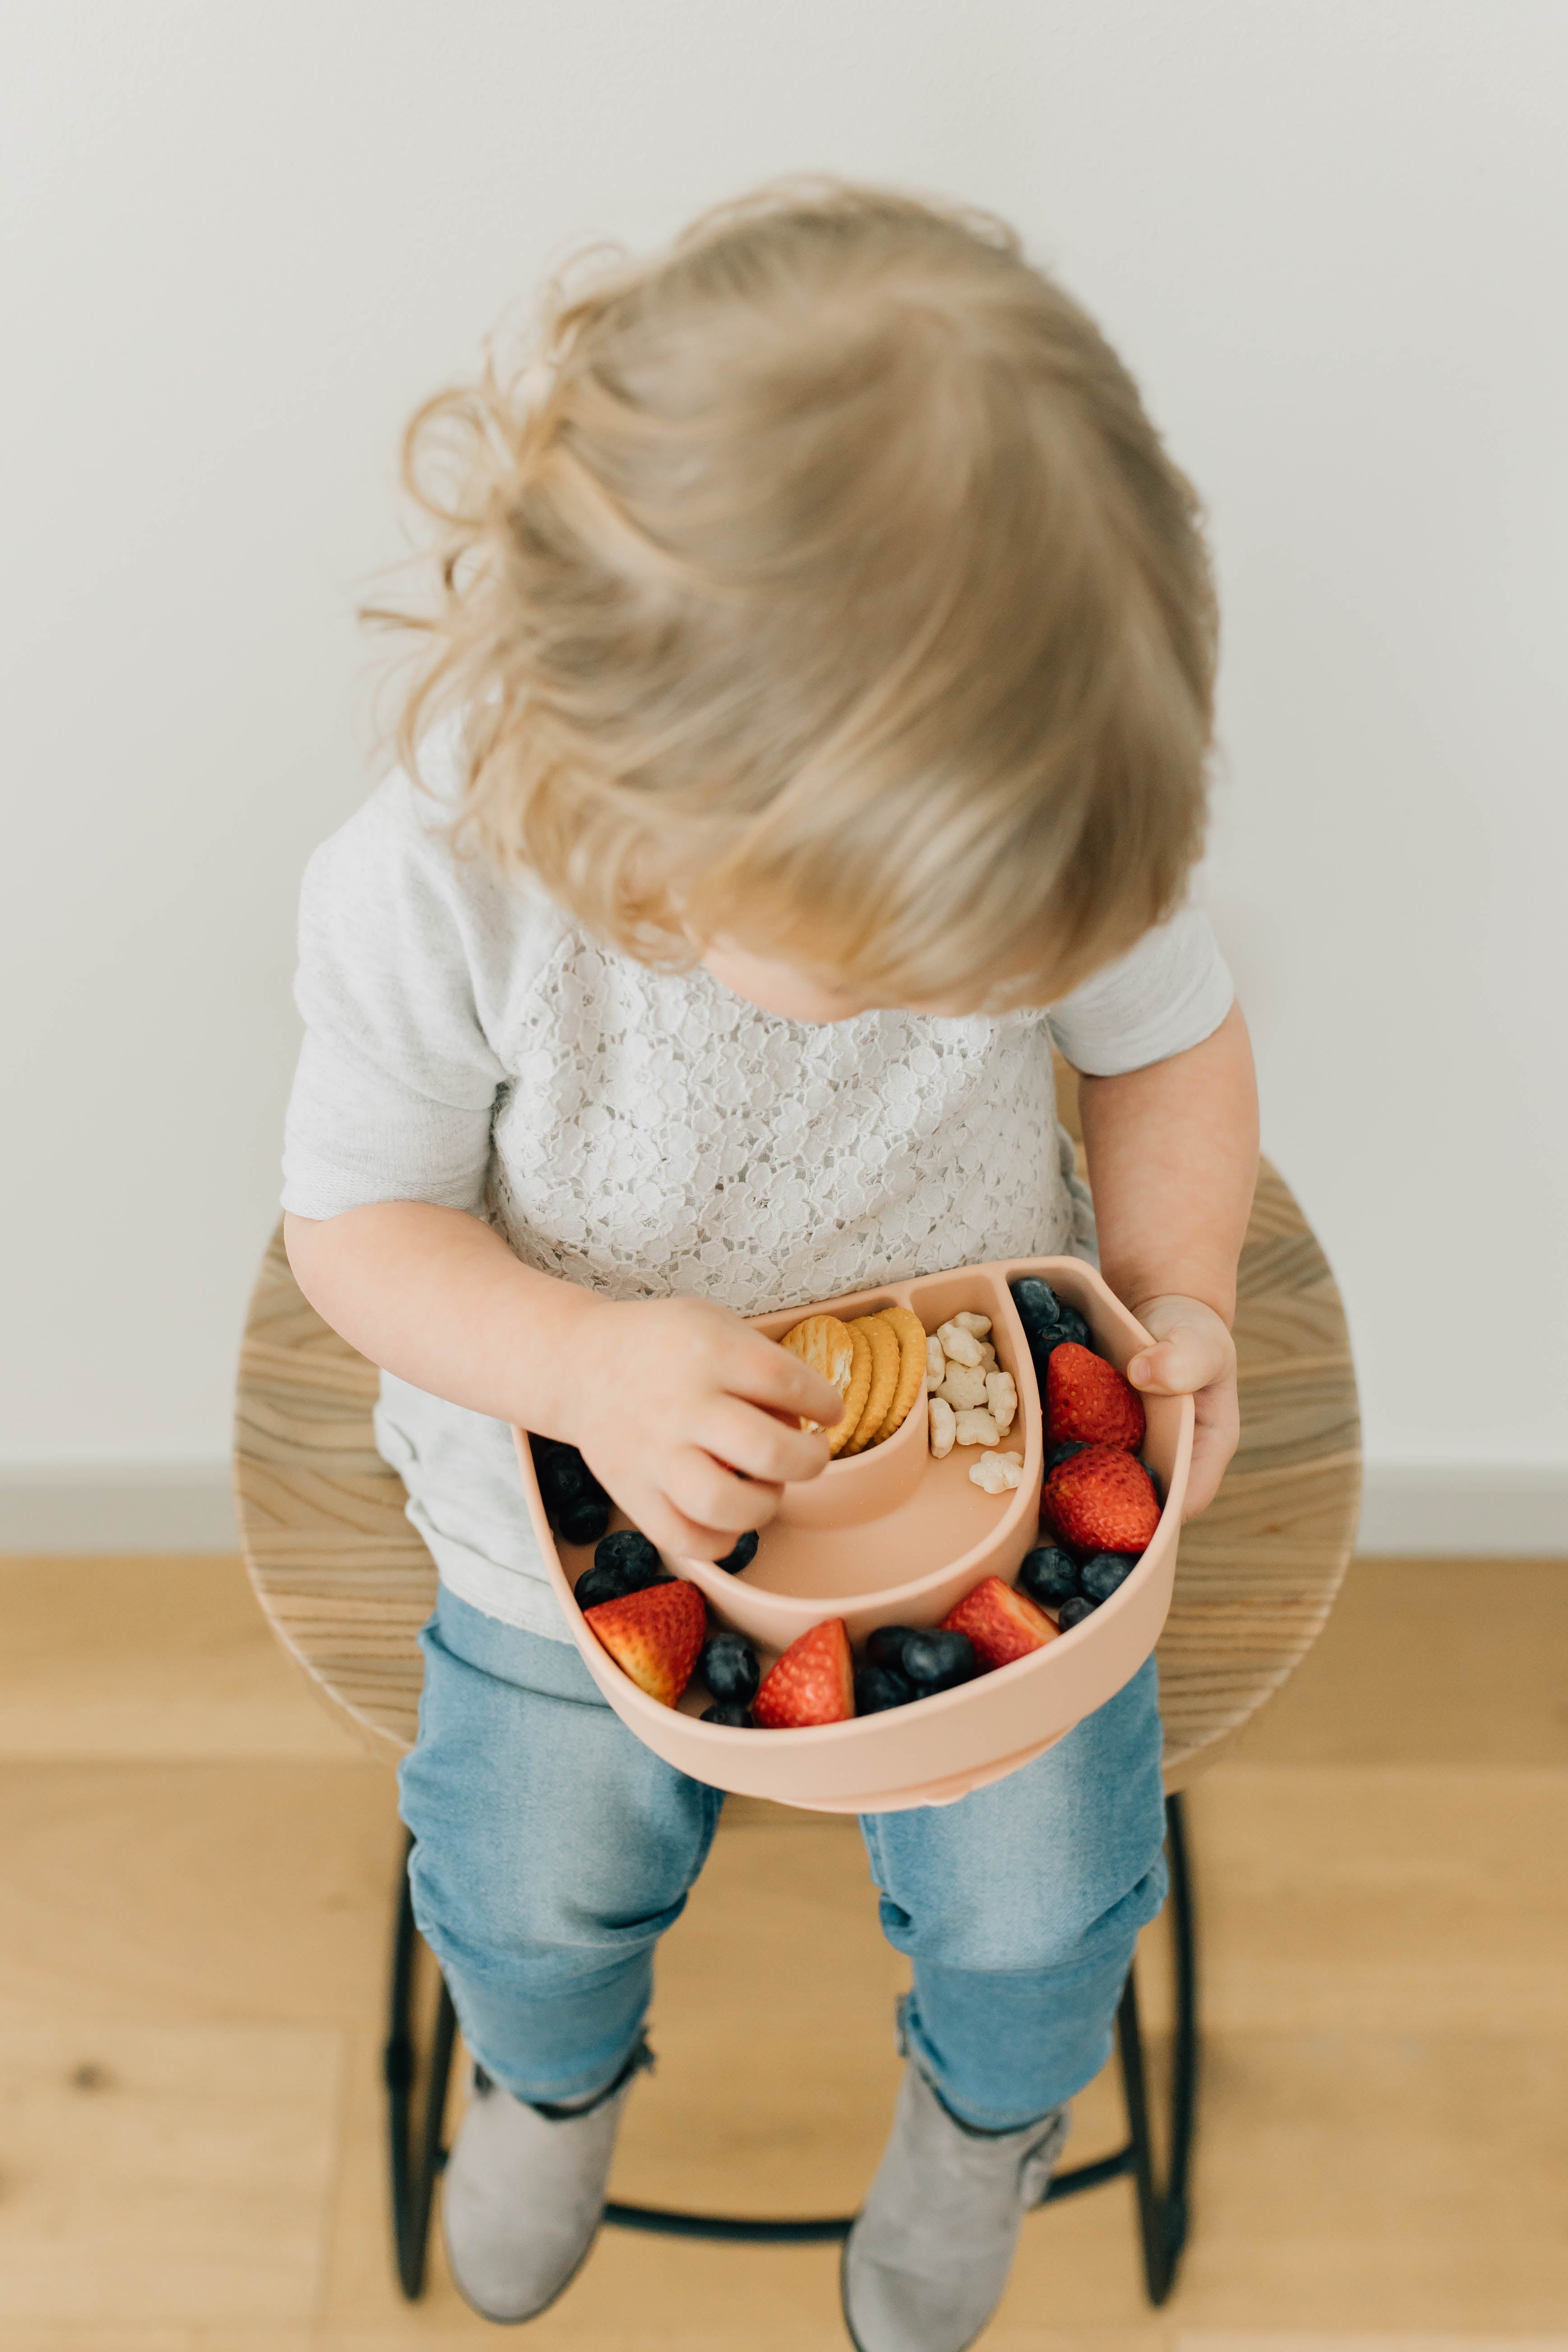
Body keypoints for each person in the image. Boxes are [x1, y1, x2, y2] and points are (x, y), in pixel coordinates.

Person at [281, 181, 1258, 2350]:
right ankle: (546, 2073)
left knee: (1036, 1915)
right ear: (652, 829)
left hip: (989, 1459)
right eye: (916, 968)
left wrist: (1174, 1291)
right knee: (528, 1885)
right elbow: (352, 1222)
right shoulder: (435, 881)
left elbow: (1168, 1035)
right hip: (581, 1489)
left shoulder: (1022, 774)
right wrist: (581, 1361)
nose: (984, 989)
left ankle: (982, 2119)